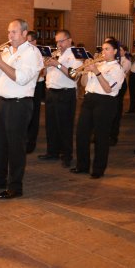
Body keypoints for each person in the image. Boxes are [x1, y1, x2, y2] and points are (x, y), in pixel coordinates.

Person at [0, 19, 43, 199]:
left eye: (14, 32)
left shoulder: (32, 53)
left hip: (18, 104)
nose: (10, 36)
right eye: (8, 32)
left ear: (24, 34)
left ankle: (15, 186)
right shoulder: (6, 51)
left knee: (15, 146)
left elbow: (21, 78)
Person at [71, 39, 125, 178]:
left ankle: (98, 169)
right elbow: (83, 84)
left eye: (107, 49)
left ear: (115, 51)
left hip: (105, 102)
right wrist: (85, 69)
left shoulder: (117, 69)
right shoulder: (98, 64)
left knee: (101, 137)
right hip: (89, 99)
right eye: (103, 49)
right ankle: (82, 166)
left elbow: (108, 89)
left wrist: (96, 72)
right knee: (82, 134)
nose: (104, 52)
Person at [40, 30, 82, 167]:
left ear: (70, 40)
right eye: (57, 41)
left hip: (65, 93)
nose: (59, 44)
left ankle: (67, 155)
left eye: (61, 41)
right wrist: (45, 66)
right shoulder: (56, 54)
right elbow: (43, 74)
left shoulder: (76, 55)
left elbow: (74, 75)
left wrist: (56, 64)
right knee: (51, 125)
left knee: (65, 126)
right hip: (51, 92)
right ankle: (52, 152)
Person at [26, 30, 45, 154]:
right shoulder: (25, 52)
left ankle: (31, 142)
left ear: (34, 41)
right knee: (26, 113)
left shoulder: (37, 52)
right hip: (27, 85)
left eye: (29, 41)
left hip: (36, 85)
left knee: (34, 114)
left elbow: (40, 72)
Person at [109, 45, 131, 146]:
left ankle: (113, 136)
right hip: (110, 86)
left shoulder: (126, 61)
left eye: (121, 50)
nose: (119, 52)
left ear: (125, 51)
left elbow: (121, 72)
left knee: (116, 112)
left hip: (121, 86)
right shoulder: (114, 60)